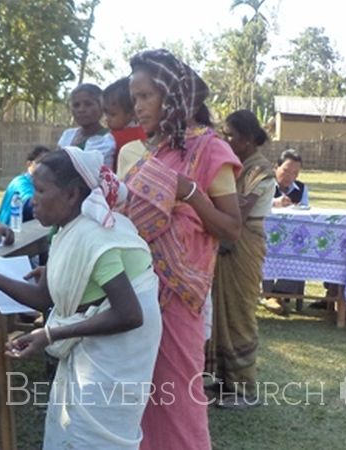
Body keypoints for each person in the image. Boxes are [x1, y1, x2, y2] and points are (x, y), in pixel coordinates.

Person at [0, 148, 161, 449]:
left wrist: (51, 333)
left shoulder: (94, 238)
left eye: (40, 190)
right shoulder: (65, 232)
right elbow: (43, 298)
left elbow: (129, 313)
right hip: (97, 346)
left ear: (72, 195)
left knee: (92, 436)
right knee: (73, 429)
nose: (32, 198)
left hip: (116, 355)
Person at [123, 49, 242, 450]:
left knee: (177, 403)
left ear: (171, 95)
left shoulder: (210, 150)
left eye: (144, 96)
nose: (136, 107)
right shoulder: (155, 150)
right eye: (133, 97)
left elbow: (231, 228)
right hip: (140, 294)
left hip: (178, 299)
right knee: (143, 400)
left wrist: (191, 193)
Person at [208, 110, 275, 408]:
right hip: (226, 245)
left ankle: (244, 389)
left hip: (243, 244)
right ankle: (223, 381)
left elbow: (239, 211)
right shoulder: (237, 167)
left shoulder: (259, 169)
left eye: (231, 135)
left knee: (239, 313)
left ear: (247, 140)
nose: (227, 140)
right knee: (219, 311)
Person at [263, 148, 308, 311]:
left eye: (295, 173)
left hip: (291, 236)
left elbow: (306, 213)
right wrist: (275, 202)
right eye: (286, 171)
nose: (290, 176)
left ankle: (277, 294)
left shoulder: (301, 189)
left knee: (302, 251)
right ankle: (267, 293)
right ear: (276, 167)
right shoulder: (264, 184)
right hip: (264, 234)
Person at [57, 84, 116, 167]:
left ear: (101, 107)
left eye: (88, 104)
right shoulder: (68, 135)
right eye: (76, 105)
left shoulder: (106, 140)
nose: (81, 110)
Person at [0, 145, 50, 226]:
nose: (45, 167)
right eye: (40, 163)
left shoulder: (43, 184)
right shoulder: (20, 182)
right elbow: (30, 205)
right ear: (29, 164)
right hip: (7, 233)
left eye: (48, 164)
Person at [102, 77, 147, 174]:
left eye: (113, 114)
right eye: (106, 113)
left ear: (131, 113)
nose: (107, 118)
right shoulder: (149, 132)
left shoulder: (111, 140)